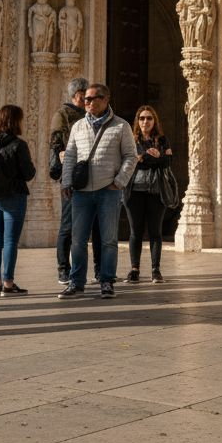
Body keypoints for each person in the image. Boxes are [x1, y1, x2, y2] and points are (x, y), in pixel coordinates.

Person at [58, 83, 136, 299]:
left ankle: (107, 281)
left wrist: (119, 182)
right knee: (78, 239)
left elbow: (130, 156)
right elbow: (71, 155)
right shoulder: (77, 127)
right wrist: (66, 182)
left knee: (109, 239)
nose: (88, 102)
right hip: (81, 192)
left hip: (108, 190)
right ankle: (76, 283)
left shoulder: (121, 126)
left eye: (92, 98)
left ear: (105, 99)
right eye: (85, 99)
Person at [51, 77, 100, 286]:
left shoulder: (93, 115)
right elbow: (56, 143)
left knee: (96, 224)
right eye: (84, 94)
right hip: (73, 176)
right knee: (68, 224)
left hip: (94, 175)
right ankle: (64, 269)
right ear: (75, 95)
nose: (88, 99)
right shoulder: (63, 115)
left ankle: (100, 271)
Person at [0, 105, 36, 297]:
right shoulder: (19, 145)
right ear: (16, 121)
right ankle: (8, 283)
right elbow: (28, 173)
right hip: (13, 195)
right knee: (10, 241)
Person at [124, 105, 172, 284]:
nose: (145, 121)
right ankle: (134, 269)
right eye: (142, 118)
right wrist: (152, 156)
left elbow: (168, 162)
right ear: (137, 121)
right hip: (133, 191)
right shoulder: (130, 139)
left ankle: (155, 270)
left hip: (155, 191)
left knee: (155, 232)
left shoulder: (162, 140)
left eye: (149, 118)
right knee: (135, 232)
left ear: (154, 121)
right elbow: (129, 161)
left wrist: (143, 157)